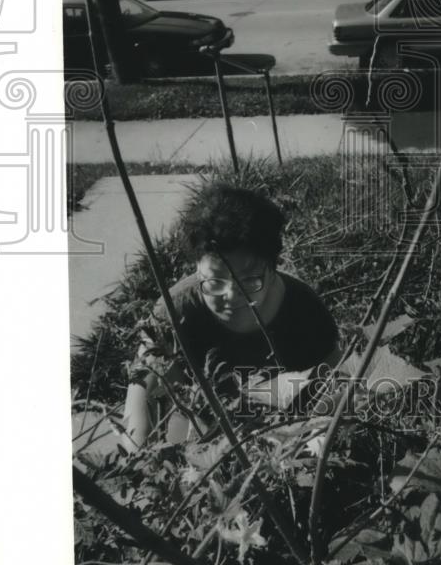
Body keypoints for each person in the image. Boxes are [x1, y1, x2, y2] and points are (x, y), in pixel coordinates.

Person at [123, 185, 340, 448]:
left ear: (273, 269)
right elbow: (140, 399)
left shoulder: (305, 310)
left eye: (249, 280)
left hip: (286, 438)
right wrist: (140, 453)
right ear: (196, 268)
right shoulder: (174, 312)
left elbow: (333, 393)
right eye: (213, 281)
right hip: (201, 434)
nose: (230, 296)